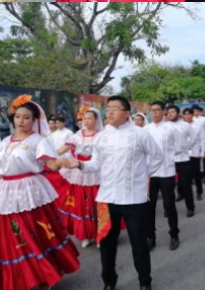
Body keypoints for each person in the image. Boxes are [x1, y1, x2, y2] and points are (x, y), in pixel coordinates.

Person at [60, 95, 163, 290]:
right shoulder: (102, 136)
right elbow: (96, 164)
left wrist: (141, 175)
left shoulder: (140, 134)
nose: (110, 111)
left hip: (135, 199)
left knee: (139, 244)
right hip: (106, 200)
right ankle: (109, 281)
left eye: (115, 108)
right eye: (108, 108)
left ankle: (145, 283)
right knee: (107, 245)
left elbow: (157, 157)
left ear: (126, 113)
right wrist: (80, 164)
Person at [0, 95, 81, 290]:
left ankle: (41, 274)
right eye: (18, 117)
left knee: (31, 233)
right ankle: (23, 276)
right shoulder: (5, 141)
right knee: (10, 236)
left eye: (26, 117)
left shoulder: (38, 141)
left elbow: (51, 164)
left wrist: (64, 162)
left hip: (29, 191)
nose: (21, 121)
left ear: (34, 120)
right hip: (4, 192)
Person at [55, 106, 103, 247]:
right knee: (81, 204)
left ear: (96, 120)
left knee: (97, 204)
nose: (86, 121)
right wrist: (47, 154)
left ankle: (100, 234)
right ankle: (85, 235)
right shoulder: (77, 136)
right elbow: (61, 149)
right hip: (78, 173)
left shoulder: (101, 136)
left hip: (96, 173)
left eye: (90, 118)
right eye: (84, 119)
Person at [144, 101, 182, 251]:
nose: (154, 113)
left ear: (163, 112)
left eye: (157, 110)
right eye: (152, 110)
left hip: (166, 172)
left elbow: (181, 146)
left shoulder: (171, 128)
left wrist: (168, 157)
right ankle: (150, 237)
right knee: (149, 207)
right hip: (150, 174)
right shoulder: (146, 130)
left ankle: (174, 235)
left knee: (169, 205)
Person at [165, 104, 196, 217]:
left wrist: (187, 147)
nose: (170, 114)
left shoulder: (185, 125)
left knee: (186, 184)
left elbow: (194, 136)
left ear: (178, 113)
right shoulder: (164, 126)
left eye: (173, 112)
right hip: (169, 160)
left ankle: (190, 207)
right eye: (168, 112)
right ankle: (168, 209)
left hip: (183, 159)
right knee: (168, 187)